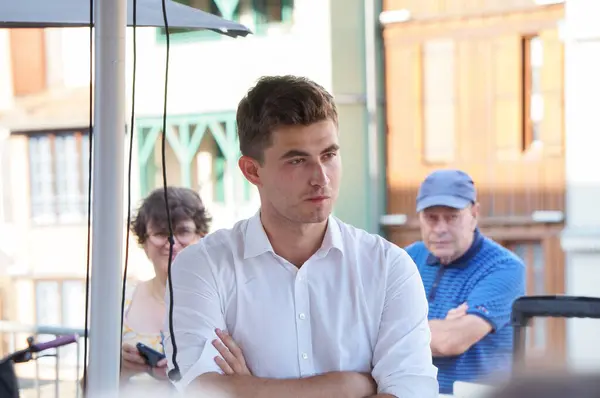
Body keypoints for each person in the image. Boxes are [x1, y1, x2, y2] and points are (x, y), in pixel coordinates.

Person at [163, 75, 438, 398]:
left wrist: (249, 388)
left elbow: (410, 391)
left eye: (329, 155)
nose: (321, 178)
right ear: (252, 171)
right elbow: (203, 392)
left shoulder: (389, 267)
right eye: (297, 160)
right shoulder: (202, 266)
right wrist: (350, 385)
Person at [405, 169, 525, 394]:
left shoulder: (504, 267)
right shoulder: (406, 259)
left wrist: (393, 330)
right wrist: (438, 326)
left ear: (474, 214)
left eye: (452, 217)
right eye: (431, 217)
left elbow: (450, 341)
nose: (440, 229)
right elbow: (364, 329)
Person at [120, 186, 211, 386]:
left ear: (201, 237)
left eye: (183, 232)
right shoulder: (121, 300)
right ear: (144, 242)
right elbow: (88, 386)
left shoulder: (221, 301)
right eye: (161, 233)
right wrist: (120, 368)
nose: (172, 242)